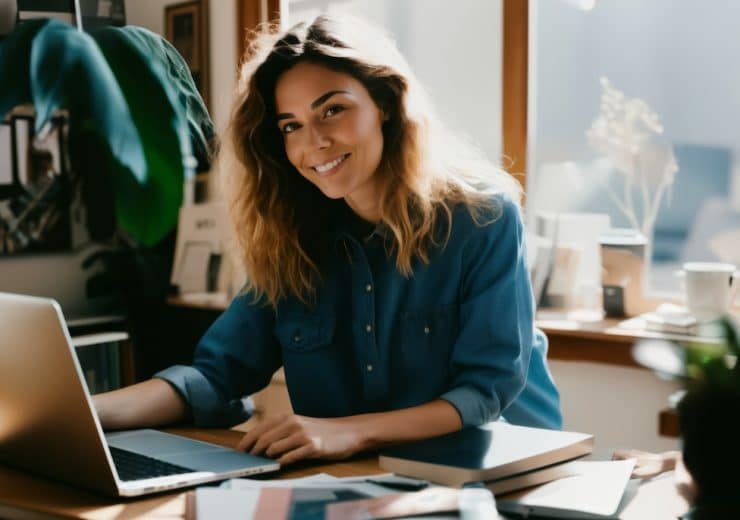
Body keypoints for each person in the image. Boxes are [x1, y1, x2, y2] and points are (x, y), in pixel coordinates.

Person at [93, 14, 561, 465]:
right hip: (364, 478)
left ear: (386, 103)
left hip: (504, 480)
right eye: (290, 126)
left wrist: (349, 431)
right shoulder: (292, 236)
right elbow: (216, 376)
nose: (311, 142)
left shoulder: (483, 217)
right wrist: (89, 414)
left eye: (332, 110)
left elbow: (484, 393)